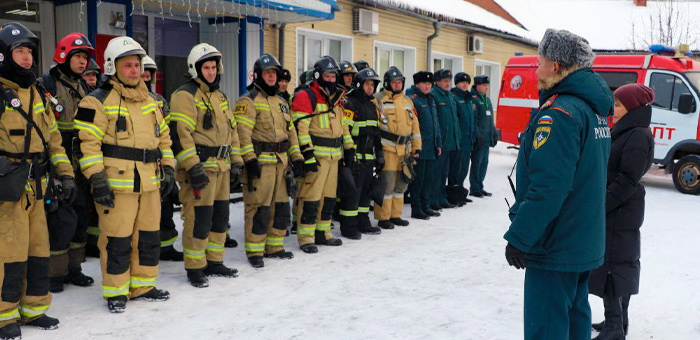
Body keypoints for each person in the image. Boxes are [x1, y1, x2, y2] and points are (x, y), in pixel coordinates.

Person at [503, 28, 613, 340]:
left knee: (548, 328)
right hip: (580, 240)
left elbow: (550, 187)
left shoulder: (561, 113)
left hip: (556, 244)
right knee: (575, 320)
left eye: (540, 62)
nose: (536, 70)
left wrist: (520, 236)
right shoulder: (592, 110)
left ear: (556, 65)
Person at [75, 36, 174, 312]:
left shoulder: (152, 100)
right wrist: (96, 178)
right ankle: (116, 290)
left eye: (137, 64)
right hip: (116, 185)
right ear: (112, 66)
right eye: (128, 65)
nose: (134, 70)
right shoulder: (96, 101)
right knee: (117, 240)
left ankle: (143, 285)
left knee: (148, 237)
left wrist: (169, 169)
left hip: (151, 182)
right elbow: (88, 144)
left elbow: (164, 139)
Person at [0, 22, 73, 337]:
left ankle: (33, 310)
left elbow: (53, 138)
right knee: (9, 254)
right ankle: (4, 316)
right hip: (8, 188)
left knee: (38, 250)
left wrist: (66, 175)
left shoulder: (38, 92)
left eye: (29, 51)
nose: (27, 58)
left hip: (38, 186)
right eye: (19, 51)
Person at [169, 43, 243, 287]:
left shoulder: (219, 96)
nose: (211, 72)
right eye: (206, 67)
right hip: (200, 169)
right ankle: (195, 266)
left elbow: (232, 132)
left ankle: (214, 261)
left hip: (221, 167)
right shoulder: (184, 95)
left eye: (214, 67)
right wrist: (193, 166)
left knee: (220, 218)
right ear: (195, 68)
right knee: (198, 219)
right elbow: (181, 134)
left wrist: (237, 163)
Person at [589, 84, 655, 340]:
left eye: (617, 104)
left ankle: (615, 326)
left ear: (632, 107)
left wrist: (602, 204)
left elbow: (628, 178)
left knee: (613, 265)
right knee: (617, 263)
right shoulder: (627, 130)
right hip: (620, 208)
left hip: (620, 209)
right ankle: (616, 320)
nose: (612, 109)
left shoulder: (637, 135)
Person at [37, 32, 96, 293]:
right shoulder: (46, 85)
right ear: (64, 56)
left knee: (81, 217)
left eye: (85, 57)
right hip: (57, 162)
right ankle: (55, 273)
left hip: (83, 161)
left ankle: (75, 268)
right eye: (78, 56)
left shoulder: (86, 88)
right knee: (60, 219)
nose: (83, 62)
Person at [235, 54, 303, 268]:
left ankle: (274, 246)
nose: (272, 77)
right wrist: (249, 160)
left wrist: (297, 157)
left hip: (281, 163)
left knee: (280, 207)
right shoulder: (247, 101)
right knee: (258, 208)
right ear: (258, 75)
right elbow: (242, 133)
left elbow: (291, 133)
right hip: (260, 165)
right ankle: (255, 250)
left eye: (274, 73)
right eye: (267, 73)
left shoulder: (282, 102)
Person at [291, 55, 353, 253]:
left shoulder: (338, 99)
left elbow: (343, 126)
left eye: (334, 76)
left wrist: (350, 148)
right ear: (318, 76)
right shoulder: (306, 96)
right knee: (310, 198)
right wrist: (307, 155)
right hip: (316, 157)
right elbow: (301, 128)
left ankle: (323, 233)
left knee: (328, 198)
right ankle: (306, 238)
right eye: (328, 76)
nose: (332, 80)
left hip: (335, 157)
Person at [141, 56, 183, 262]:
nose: (145, 79)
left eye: (149, 76)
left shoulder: (159, 100)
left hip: (159, 162)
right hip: (138, 165)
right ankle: (144, 252)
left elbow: (167, 131)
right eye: (143, 75)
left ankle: (166, 247)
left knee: (166, 207)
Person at [337, 67, 384, 239]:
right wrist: (350, 154)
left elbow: (376, 132)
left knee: (365, 192)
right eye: (367, 84)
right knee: (352, 193)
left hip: (369, 156)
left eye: (373, 84)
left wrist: (379, 154)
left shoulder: (372, 106)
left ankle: (363, 222)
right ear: (359, 84)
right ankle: (348, 227)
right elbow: (345, 130)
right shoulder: (350, 102)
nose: (370, 88)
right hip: (354, 155)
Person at [374, 66, 421, 229]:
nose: (397, 85)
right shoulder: (378, 99)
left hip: (405, 151)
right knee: (387, 184)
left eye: (399, 82)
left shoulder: (408, 101)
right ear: (387, 83)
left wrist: (417, 147)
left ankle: (396, 215)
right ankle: (383, 217)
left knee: (402, 184)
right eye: (394, 82)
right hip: (387, 149)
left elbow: (415, 126)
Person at [406, 71, 441, 220]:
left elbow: (435, 124)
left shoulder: (431, 99)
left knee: (428, 179)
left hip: (431, 147)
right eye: (423, 84)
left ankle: (425, 206)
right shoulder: (413, 100)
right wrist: (414, 147)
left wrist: (438, 143)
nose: (427, 86)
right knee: (418, 180)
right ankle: (417, 208)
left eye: (429, 84)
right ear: (417, 84)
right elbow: (411, 126)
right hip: (420, 148)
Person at [430, 69, 460, 209]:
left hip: (449, 141)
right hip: (439, 141)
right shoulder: (434, 95)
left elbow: (454, 121)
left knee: (444, 173)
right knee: (436, 173)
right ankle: (433, 199)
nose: (448, 83)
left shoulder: (449, 96)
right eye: (445, 81)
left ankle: (441, 197)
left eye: (449, 80)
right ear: (437, 82)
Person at [448, 72, 475, 205]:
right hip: (458, 141)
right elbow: (456, 121)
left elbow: (471, 120)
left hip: (467, 141)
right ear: (457, 83)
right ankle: (453, 194)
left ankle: (460, 193)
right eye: (462, 82)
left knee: (464, 169)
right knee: (455, 170)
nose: (465, 84)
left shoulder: (468, 99)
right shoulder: (454, 97)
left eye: (467, 82)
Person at [469, 75, 497, 198]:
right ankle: (474, 187)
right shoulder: (474, 99)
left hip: (487, 138)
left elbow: (490, 120)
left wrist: (494, 133)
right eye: (484, 85)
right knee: (477, 163)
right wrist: (478, 135)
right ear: (478, 86)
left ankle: (480, 185)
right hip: (479, 138)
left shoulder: (487, 100)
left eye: (487, 85)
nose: (487, 88)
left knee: (484, 163)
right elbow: (473, 120)